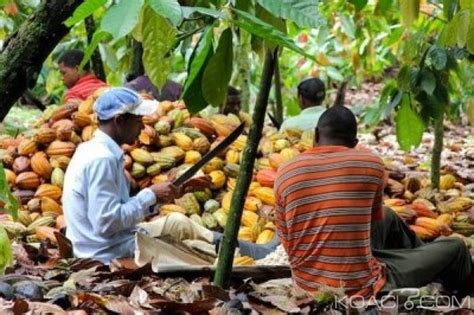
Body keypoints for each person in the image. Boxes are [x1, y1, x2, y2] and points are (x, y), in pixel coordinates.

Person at [274, 105, 472, 298]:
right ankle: (451, 283)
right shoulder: (372, 164)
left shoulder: (285, 171)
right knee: (456, 248)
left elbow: (287, 241)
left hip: (305, 284)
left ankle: (421, 257)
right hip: (358, 286)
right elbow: (370, 218)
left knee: (388, 216)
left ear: (316, 135)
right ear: (355, 142)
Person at [62, 87, 208, 262]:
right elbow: (106, 222)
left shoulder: (96, 150)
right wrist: (150, 195)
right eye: (138, 120)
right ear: (119, 120)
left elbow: (117, 209)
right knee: (198, 254)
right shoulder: (102, 160)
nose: (143, 127)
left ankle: (242, 249)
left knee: (178, 222)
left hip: (119, 240)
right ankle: (240, 257)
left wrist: (161, 197)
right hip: (108, 253)